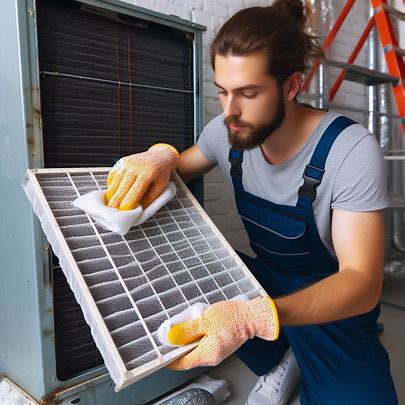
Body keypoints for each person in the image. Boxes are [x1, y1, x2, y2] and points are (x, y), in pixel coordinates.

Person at [105, 1, 398, 403]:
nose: (231, 112)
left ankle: (292, 342)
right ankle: (282, 355)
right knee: (172, 255)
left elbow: (361, 282)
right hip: (264, 283)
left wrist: (259, 316)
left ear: (292, 86)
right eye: (223, 91)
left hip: (331, 301)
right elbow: (177, 168)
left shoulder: (349, 150)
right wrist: (161, 157)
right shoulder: (229, 131)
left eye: (248, 93)